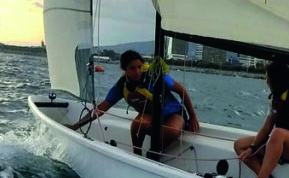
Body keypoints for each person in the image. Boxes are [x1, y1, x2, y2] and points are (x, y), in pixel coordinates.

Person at [69, 50, 199, 156]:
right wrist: (76, 125)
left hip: (174, 114)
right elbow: (101, 108)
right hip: (152, 117)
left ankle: (153, 154)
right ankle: (137, 155)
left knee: (172, 130)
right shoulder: (122, 86)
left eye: (139, 67)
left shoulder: (156, 75)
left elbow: (181, 91)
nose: (137, 71)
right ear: (124, 70)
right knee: (137, 124)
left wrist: (192, 116)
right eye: (132, 68)